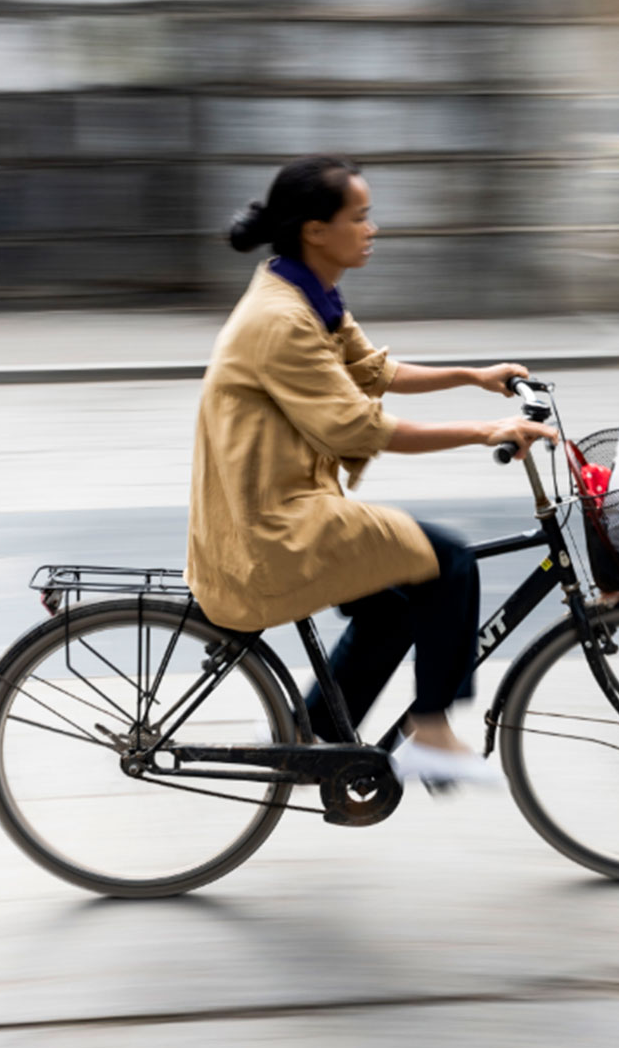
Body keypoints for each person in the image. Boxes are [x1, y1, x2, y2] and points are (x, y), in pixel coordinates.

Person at [185, 155, 557, 785]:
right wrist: (482, 431)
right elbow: (359, 427)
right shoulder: (283, 319)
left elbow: (375, 371)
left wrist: (475, 376)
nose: (372, 228)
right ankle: (432, 733)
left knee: (397, 605)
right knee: (449, 561)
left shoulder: (306, 292)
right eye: (359, 217)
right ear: (315, 230)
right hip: (272, 526)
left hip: (292, 507)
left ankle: (311, 735)